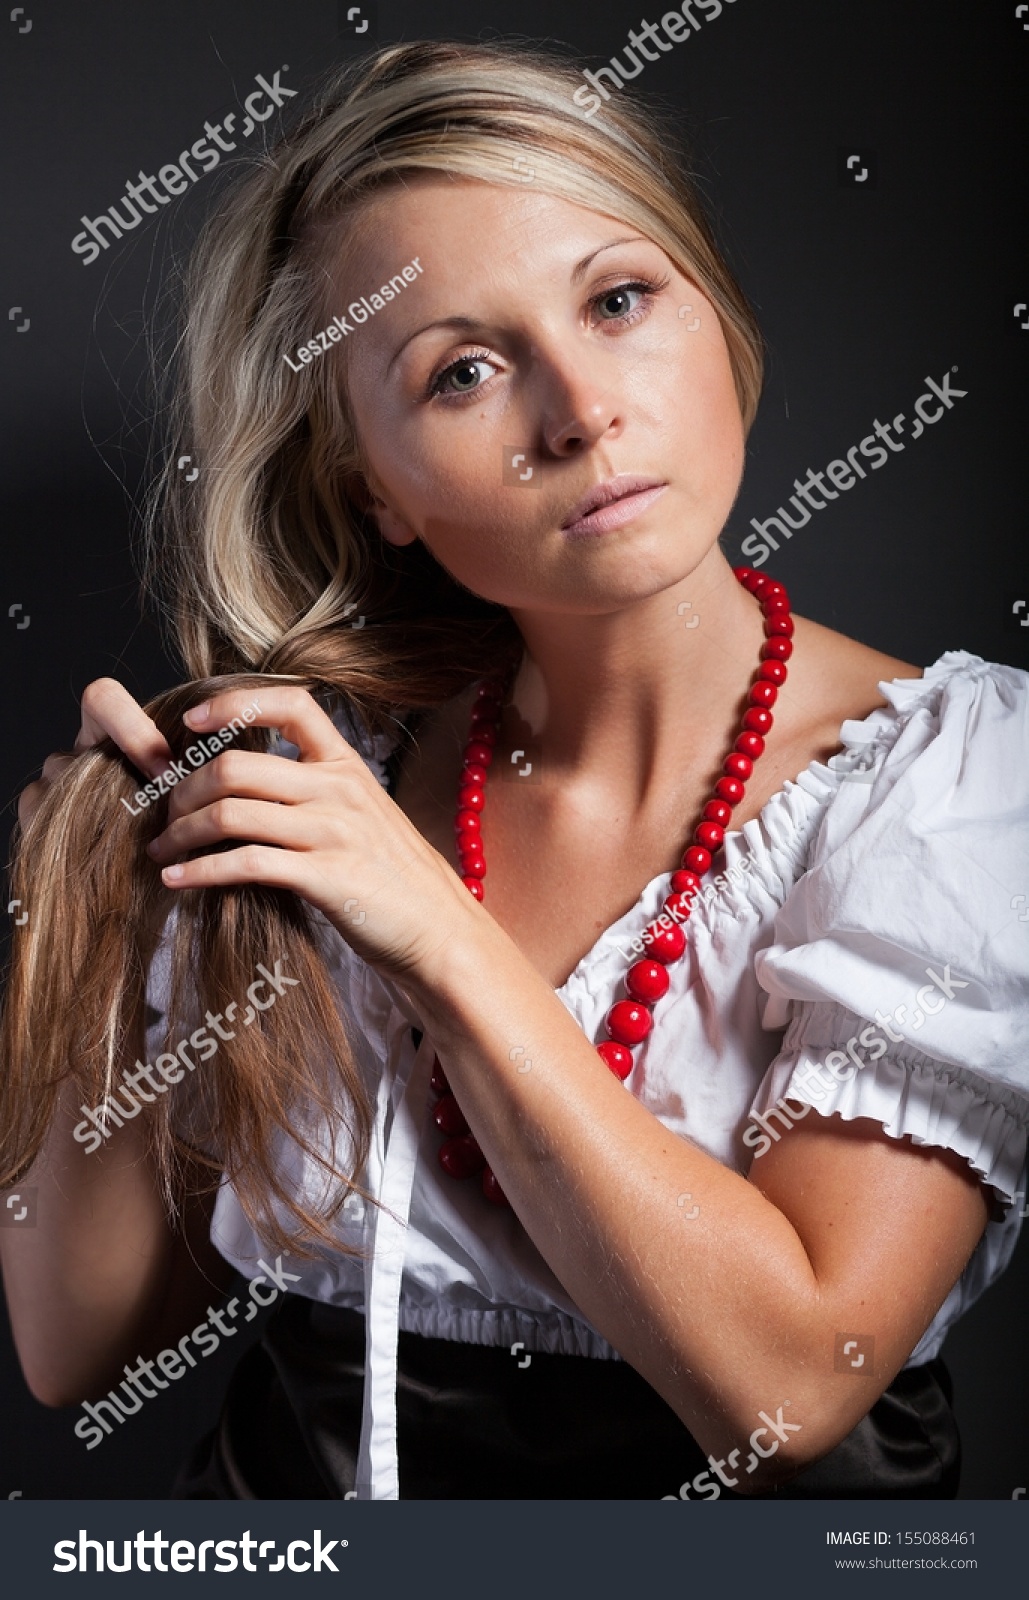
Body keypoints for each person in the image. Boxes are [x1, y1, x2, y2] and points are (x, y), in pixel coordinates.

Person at [3, 40, 1027, 1502]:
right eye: (464, 371)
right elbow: (78, 1347)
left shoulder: (947, 784)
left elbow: (800, 1381)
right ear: (374, 486)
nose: (580, 410)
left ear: (717, 318)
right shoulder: (321, 781)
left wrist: (431, 932)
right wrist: (90, 928)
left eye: (618, 301)